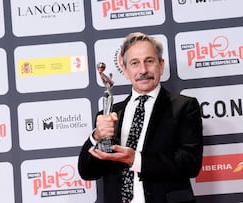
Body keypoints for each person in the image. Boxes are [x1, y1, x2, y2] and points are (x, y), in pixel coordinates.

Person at [78, 32, 203, 203]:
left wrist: (136, 159)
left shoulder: (184, 107)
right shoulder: (109, 114)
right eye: (135, 63)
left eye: (149, 61)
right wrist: (96, 137)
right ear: (125, 70)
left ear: (161, 64)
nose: (143, 70)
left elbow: (190, 164)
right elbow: (87, 172)